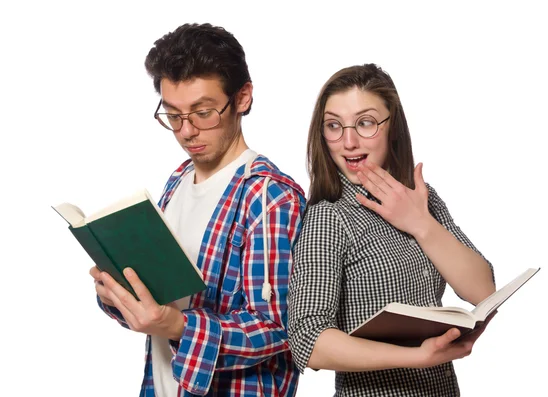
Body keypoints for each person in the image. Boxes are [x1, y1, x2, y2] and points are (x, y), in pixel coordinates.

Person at [89, 23, 306, 397]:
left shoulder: (271, 197)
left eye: (203, 112)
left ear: (242, 98)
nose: (187, 131)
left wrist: (176, 326)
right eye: (173, 115)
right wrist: (119, 296)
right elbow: (163, 304)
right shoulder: (177, 180)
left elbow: (279, 331)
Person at [288, 63, 496, 396]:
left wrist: (420, 224)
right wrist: (415, 357)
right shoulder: (329, 217)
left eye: (365, 123)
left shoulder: (422, 199)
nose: (349, 141)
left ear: (393, 126)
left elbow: (482, 289)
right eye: (334, 126)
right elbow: (307, 340)